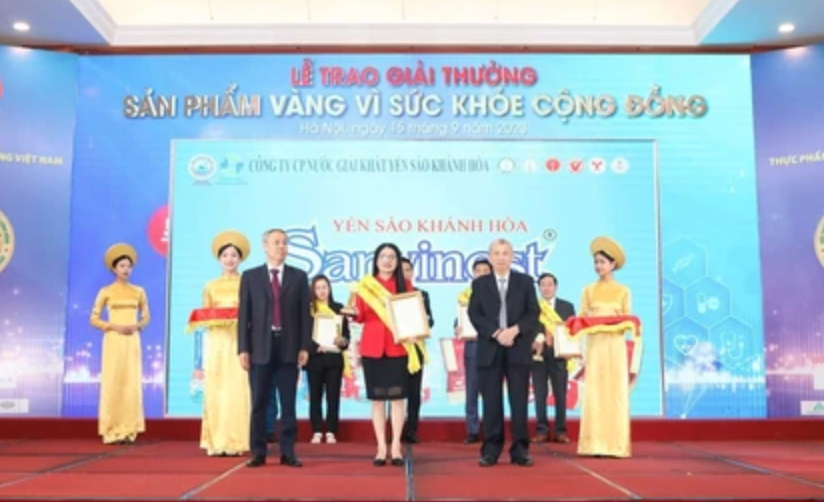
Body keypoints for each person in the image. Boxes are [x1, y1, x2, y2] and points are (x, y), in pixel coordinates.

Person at [238, 229, 311, 468]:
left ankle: (288, 452)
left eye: (285, 243)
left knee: (288, 404)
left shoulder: (299, 277)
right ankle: (258, 452)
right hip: (260, 348)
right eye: (277, 242)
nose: (282, 246)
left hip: (289, 347)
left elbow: (305, 315)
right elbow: (244, 315)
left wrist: (304, 346)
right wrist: (243, 349)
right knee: (259, 403)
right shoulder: (251, 277)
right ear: (265, 246)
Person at [468, 239, 539, 467]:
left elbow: (533, 313)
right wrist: (497, 332)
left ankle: (520, 451)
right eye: (497, 253)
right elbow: (475, 314)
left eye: (505, 253)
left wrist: (514, 330)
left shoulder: (525, 282)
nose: (501, 257)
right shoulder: (480, 284)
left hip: (518, 348)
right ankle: (491, 450)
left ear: (512, 257)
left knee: (519, 402)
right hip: (490, 348)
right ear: (490, 257)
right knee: (491, 403)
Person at [350, 243, 416, 466]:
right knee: (377, 400)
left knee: (397, 399)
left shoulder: (405, 285)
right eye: (383, 256)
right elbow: (360, 316)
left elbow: (411, 315)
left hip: (398, 348)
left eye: (392, 257)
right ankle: (381, 447)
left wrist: (415, 331)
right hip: (372, 348)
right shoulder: (366, 286)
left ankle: (395, 446)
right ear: (376, 260)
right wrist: (352, 312)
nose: (387, 260)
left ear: (397, 261)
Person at [186, 231, 251, 456]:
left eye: (234, 255)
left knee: (238, 389)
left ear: (240, 258)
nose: (229, 259)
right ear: (219, 258)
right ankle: (215, 441)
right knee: (216, 389)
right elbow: (205, 315)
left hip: (240, 342)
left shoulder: (247, 283)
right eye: (225, 255)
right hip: (216, 343)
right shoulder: (210, 286)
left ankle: (237, 441)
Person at [577, 237, 635, 458]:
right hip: (595, 346)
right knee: (595, 393)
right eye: (596, 262)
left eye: (602, 262)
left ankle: (616, 445)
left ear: (613, 264)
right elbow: (581, 319)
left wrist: (613, 323)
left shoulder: (623, 291)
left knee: (615, 393)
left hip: (615, 346)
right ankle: (593, 444)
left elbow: (628, 320)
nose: (598, 266)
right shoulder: (588, 290)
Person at [90, 243, 149, 445]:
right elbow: (94, 319)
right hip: (113, 339)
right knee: (113, 381)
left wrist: (137, 326)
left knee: (131, 382)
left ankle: (129, 429)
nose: (126, 269)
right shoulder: (106, 292)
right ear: (114, 269)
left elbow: (146, 317)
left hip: (132, 340)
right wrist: (114, 326)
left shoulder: (138, 291)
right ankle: (111, 429)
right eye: (122, 266)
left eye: (128, 266)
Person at [531, 272, 575, 444]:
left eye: (550, 284)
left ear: (555, 287)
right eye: (543, 285)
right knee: (540, 395)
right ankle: (541, 430)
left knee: (560, 395)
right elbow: (527, 328)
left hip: (559, 356)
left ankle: (560, 431)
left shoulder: (567, 307)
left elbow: (572, 331)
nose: (546, 288)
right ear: (539, 288)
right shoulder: (533, 306)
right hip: (538, 357)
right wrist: (535, 340)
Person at [306, 274, 350, 444]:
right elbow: (304, 334)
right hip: (314, 359)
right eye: (318, 288)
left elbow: (346, 336)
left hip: (334, 359)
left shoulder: (339, 309)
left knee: (333, 396)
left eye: (324, 287)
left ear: (329, 288)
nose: (322, 291)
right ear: (313, 290)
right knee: (315, 396)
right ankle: (317, 430)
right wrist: (314, 347)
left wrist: (342, 342)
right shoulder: (309, 310)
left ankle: (331, 430)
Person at [454, 258, 492, 444]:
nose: (482, 273)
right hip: (473, 346)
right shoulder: (465, 297)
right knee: (472, 390)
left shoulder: (499, 295)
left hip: (493, 346)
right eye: (478, 270)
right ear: (473, 273)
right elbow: (459, 320)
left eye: (486, 270)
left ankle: (492, 430)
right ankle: (473, 430)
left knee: (491, 391)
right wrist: (458, 328)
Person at [400, 257, 434, 444]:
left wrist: (422, 323)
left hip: (416, 348)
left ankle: (412, 430)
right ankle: (395, 430)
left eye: (408, 269)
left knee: (414, 391)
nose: (405, 273)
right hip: (396, 348)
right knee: (394, 392)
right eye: (401, 270)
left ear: (412, 272)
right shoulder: (389, 295)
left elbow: (431, 321)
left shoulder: (422, 295)